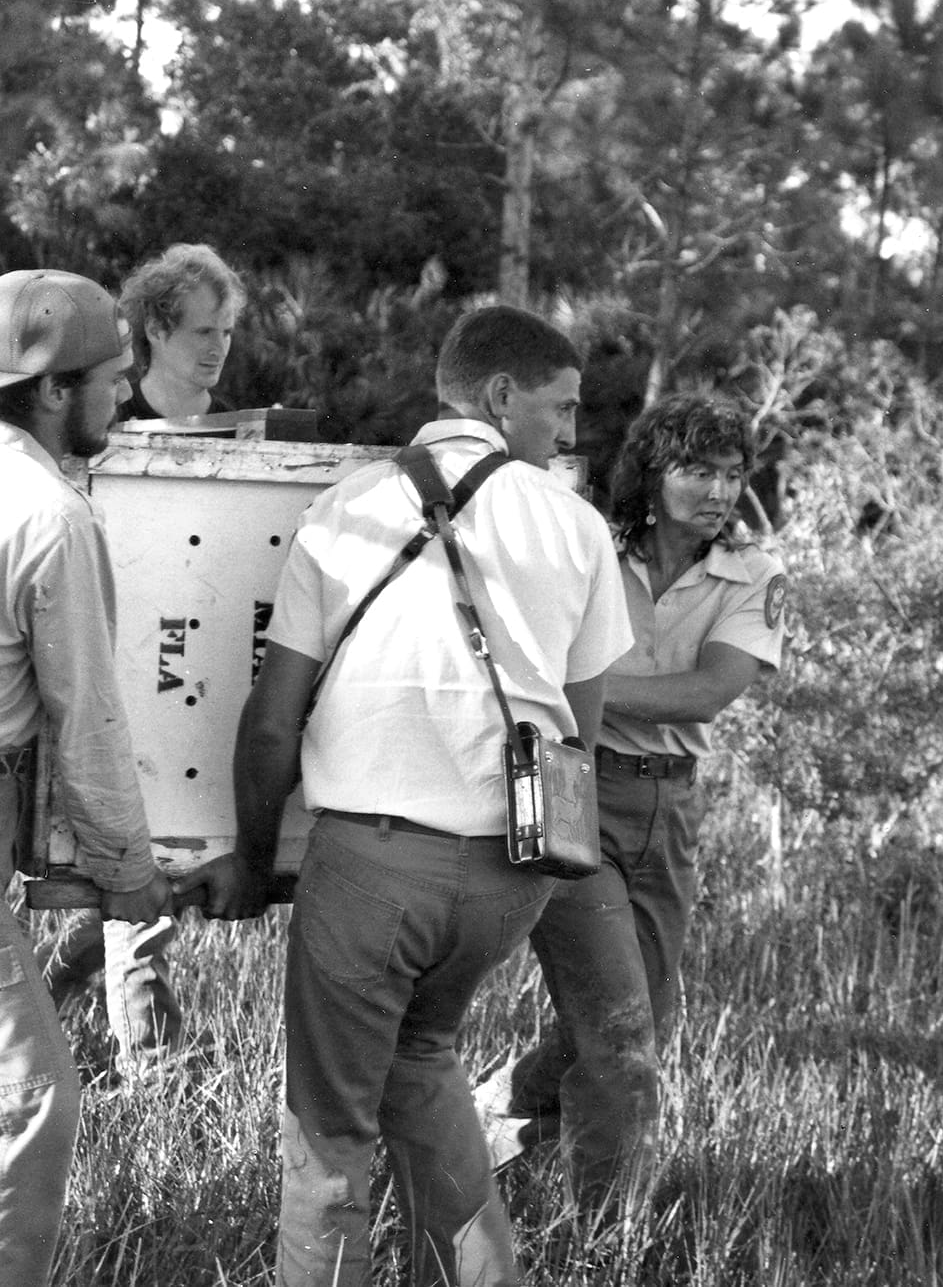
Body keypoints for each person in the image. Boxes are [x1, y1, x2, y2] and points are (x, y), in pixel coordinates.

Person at [176, 304, 634, 1287]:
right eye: (559, 410)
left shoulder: (351, 506)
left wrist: (256, 864)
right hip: (511, 878)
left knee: (329, 1135)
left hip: (375, 867)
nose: (567, 431)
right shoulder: (579, 527)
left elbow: (271, 720)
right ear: (501, 397)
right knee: (422, 1063)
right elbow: (576, 743)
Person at [477, 393, 787, 1222]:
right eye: (697, 471)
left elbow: (708, 693)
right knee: (621, 1038)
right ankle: (609, 1236)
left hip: (668, 807)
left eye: (732, 474)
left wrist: (586, 687)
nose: (719, 491)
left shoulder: (753, 572)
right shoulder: (588, 544)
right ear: (652, 475)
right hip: (572, 781)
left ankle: (488, 1114)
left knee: (639, 1022)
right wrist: (582, 696)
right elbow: (527, 661)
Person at [0, 269, 171, 1286]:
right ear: (55, 390)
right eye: (111, 378)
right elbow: (87, 716)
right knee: (33, 1096)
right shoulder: (52, 515)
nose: (125, 397)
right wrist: (129, 870)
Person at [40, 243, 246, 1070]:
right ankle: (159, 1077)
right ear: (155, 328)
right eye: (202, 328)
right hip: (118, 690)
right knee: (145, 911)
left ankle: (60, 972)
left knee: (162, 893)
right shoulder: (107, 441)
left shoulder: (243, 447)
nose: (218, 347)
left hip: (204, 696)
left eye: (228, 330)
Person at [117, 241, 246, 420]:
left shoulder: (235, 431)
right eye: (204, 332)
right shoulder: (109, 422)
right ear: (155, 330)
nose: (219, 349)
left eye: (226, 333)